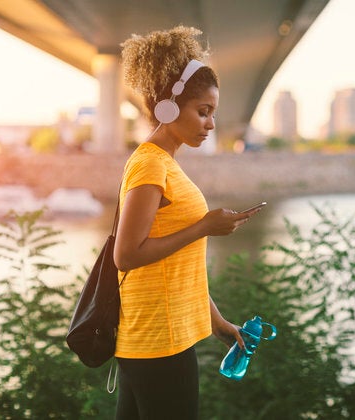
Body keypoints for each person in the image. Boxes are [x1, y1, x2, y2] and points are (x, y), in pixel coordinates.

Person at [113, 26, 262, 419]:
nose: (210, 124)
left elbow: (179, 265)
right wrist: (203, 227)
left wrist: (217, 322)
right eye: (203, 111)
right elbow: (126, 255)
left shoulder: (165, 165)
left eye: (213, 113)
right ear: (167, 107)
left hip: (157, 339)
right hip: (160, 342)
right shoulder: (149, 164)